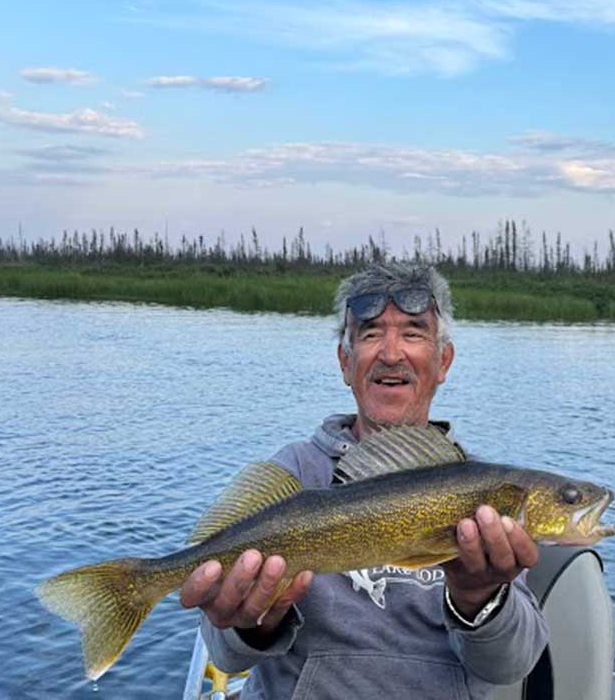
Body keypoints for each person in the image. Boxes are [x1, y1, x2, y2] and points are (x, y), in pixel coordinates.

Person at [180, 262, 549, 698]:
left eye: (413, 333)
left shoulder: (478, 491)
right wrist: (252, 623)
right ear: (345, 361)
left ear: (443, 360)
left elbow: (513, 665)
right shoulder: (296, 475)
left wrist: (478, 596)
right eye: (371, 333)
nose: (391, 353)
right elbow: (226, 656)